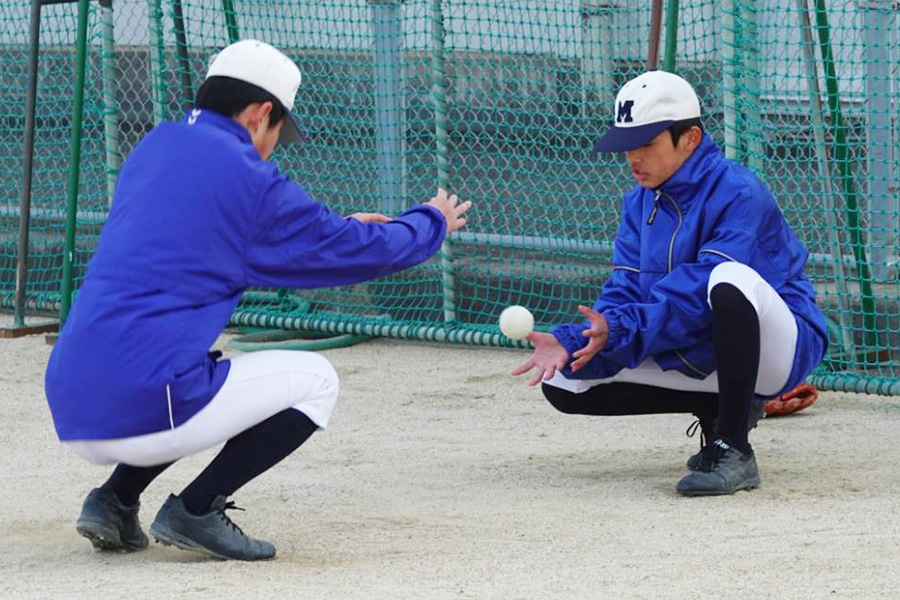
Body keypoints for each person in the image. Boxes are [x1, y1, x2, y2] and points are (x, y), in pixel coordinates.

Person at [44, 39, 470, 560]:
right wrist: (429, 222)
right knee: (316, 383)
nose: (272, 145)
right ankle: (197, 509)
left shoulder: (155, 147)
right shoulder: (245, 174)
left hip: (70, 398)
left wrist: (337, 231)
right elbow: (356, 254)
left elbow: (224, 242)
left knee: (198, 369)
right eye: (276, 131)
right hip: (142, 409)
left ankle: (114, 500)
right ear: (259, 113)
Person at [512, 70, 827, 496]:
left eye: (647, 144)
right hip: (701, 345)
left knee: (727, 280)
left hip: (779, 346)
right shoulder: (638, 201)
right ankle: (720, 406)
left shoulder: (739, 192)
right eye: (628, 146)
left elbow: (697, 296)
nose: (632, 158)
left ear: (691, 139)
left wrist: (624, 329)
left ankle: (732, 448)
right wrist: (582, 336)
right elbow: (624, 288)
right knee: (565, 377)